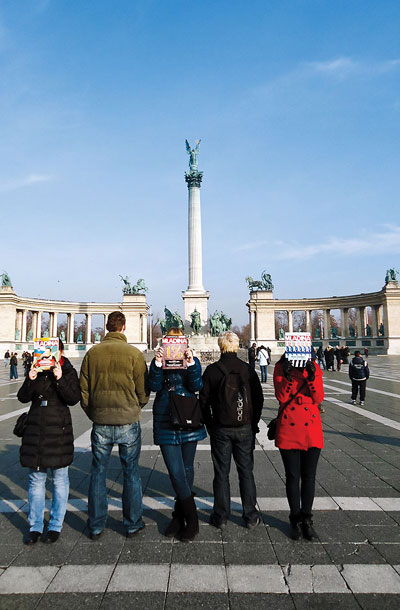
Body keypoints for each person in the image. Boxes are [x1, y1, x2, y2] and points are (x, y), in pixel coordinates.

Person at [80, 311, 149, 540]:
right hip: (128, 421)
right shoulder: (134, 353)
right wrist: (136, 405)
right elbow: (143, 390)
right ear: (124, 327)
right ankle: (132, 523)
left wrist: (94, 412)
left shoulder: (92, 353)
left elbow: (84, 391)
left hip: (100, 422)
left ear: (106, 327)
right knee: (131, 473)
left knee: (98, 473)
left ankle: (96, 525)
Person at [17, 340, 80, 544]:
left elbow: (72, 398)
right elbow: (22, 398)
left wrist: (59, 377)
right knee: (36, 480)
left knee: (60, 479)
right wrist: (31, 378)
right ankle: (35, 526)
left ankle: (55, 525)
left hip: (58, 429)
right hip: (36, 429)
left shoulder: (68, 370)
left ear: (59, 351)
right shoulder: (36, 369)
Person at [200, 331, 263, 529]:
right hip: (244, 427)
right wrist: (253, 423)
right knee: (246, 471)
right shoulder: (247, 370)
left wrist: (210, 424)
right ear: (236, 346)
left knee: (221, 472)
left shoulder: (211, 370)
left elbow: (203, 401)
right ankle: (250, 516)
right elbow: (259, 399)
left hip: (220, 428)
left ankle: (221, 516)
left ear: (220, 346)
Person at [148, 328, 206, 541]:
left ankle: (178, 515)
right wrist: (156, 364)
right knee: (175, 471)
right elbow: (153, 386)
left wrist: (191, 364)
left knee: (187, 469)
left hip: (187, 415)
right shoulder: (159, 361)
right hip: (165, 417)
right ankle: (192, 519)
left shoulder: (193, 361)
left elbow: (197, 385)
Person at [273, 354, 324, 540]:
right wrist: (287, 376)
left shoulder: (314, 367)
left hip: (311, 428)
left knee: (309, 477)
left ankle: (307, 518)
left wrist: (311, 378)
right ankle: (295, 518)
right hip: (290, 427)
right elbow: (281, 396)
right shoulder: (281, 367)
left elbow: (318, 397)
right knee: (293, 476)